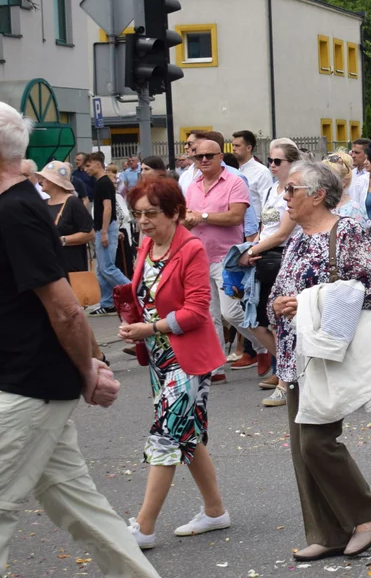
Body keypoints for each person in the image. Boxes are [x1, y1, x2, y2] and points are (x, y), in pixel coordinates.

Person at [0, 103, 160, 577]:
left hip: (28, 385)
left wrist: (90, 367)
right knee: (79, 506)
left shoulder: (16, 211)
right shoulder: (19, 206)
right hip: (32, 381)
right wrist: (89, 364)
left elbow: (65, 306)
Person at [267, 161, 371, 562]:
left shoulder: (347, 231)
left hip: (327, 351)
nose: (284, 197)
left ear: (318, 194)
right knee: (302, 452)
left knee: (317, 443)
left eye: (291, 190)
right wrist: (278, 304)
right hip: (295, 355)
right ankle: (328, 532)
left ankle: (370, 512)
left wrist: (309, 301)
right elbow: (277, 295)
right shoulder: (298, 238)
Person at [120, 178, 231, 549]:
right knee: (186, 433)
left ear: (175, 212)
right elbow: (147, 295)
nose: (144, 221)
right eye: (138, 214)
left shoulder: (192, 248)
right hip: (159, 357)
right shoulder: (147, 245)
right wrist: (135, 322)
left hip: (189, 358)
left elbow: (198, 311)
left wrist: (149, 327)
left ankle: (143, 527)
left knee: (167, 434)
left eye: (151, 213)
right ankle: (215, 511)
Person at [183, 136, 260, 384]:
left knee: (233, 313)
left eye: (209, 156)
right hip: (198, 256)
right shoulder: (192, 185)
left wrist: (202, 216)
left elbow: (236, 217)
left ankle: (264, 347)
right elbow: (185, 217)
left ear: (220, 157)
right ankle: (215, 368)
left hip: (227, 258)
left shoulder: (235, 182)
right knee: (208, 315)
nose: (203, 160)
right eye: (198, 157)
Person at [240, 138, 301, 408]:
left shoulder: (294, 190)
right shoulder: (270, 191)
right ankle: (291, 369)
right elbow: (265, 226)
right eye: (271, 161)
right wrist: (251, 247)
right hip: (264, 258)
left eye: (278, 161)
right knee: (256, 321)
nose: (272, 166)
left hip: (282, 258)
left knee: (279, 322)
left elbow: (282, 233)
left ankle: (285, 379)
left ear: (292, 163)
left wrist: (252, 251)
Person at [86, 151, 132, 315]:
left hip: (105, 228)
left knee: (107, 267)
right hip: (103, 228)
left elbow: (108, 208)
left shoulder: (103, 183)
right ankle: (107, 302)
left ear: (97, 164)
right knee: (101, 268)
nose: (86, 169)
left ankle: (134, 291)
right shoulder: (102, 182)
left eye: (88, 165)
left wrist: (105, 231)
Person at [37, 161, 94, 274]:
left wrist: (62, 240)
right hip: (50, 266)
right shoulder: (43, 204)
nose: (40, 181)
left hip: (71, 267)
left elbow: (90, 233)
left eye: (44, 177)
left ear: (54, 181)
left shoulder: (72, 202)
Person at [232, 130, 273, 219]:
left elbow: (269, 203)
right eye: (233, 145)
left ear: (248, 148)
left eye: (237, 145)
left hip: (256, 224)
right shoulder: (232, 171)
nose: (233, 148)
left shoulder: (262, 172)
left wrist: (267, 230)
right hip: (235, 224)